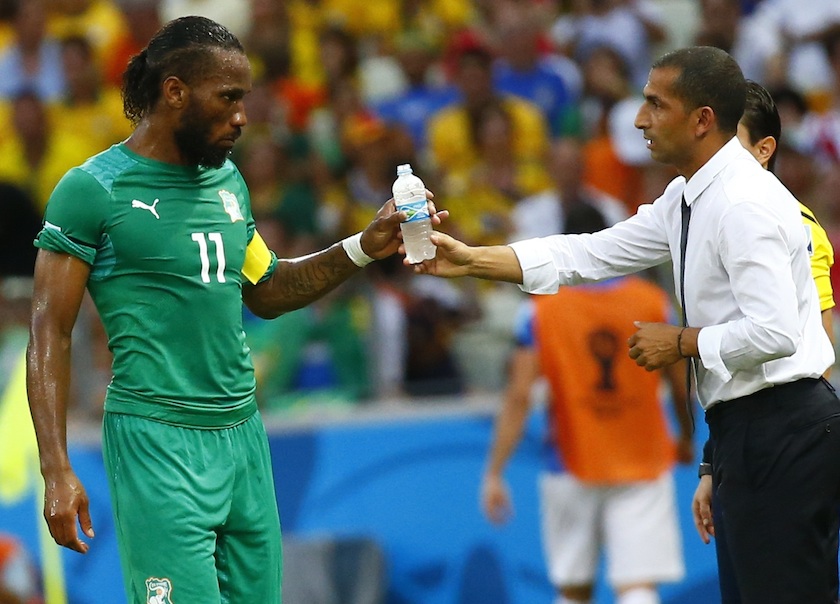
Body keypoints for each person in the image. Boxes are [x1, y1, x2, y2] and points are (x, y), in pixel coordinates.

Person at [25, 16, 445, 604]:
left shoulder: (227, 181)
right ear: (175, 92)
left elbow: (267, 288)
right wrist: (56, 468)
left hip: (243, 436)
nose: (242, 117)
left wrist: (361, 248)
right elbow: (50, 330)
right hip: (157, 439)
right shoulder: (92, 190)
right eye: (227, 98)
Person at [410, 46, 840, 603]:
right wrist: (473, 260)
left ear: (702, 120)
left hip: (783, 433)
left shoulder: (742, 204)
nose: (640, 120)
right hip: (747, 431)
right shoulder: (688, 196)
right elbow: (590, 253)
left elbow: (776, 333)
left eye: (656, 105)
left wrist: (681, 341)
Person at [481, 202, 692, 604]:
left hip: (569, 461)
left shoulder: (540, 312)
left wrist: (495, 472)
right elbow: (681, 386)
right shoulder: (652, 303)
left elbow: (519, 395)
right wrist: (685, 436)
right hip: (642, 456)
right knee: (638, 586)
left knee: (573, 589)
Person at [691, 79, 837, 603]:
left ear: (763, 149)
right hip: (743, 440)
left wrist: (796, 454)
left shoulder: (792, 223)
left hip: (785, 444)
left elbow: (815, 349)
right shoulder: (714, 214)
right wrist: (715, 461)